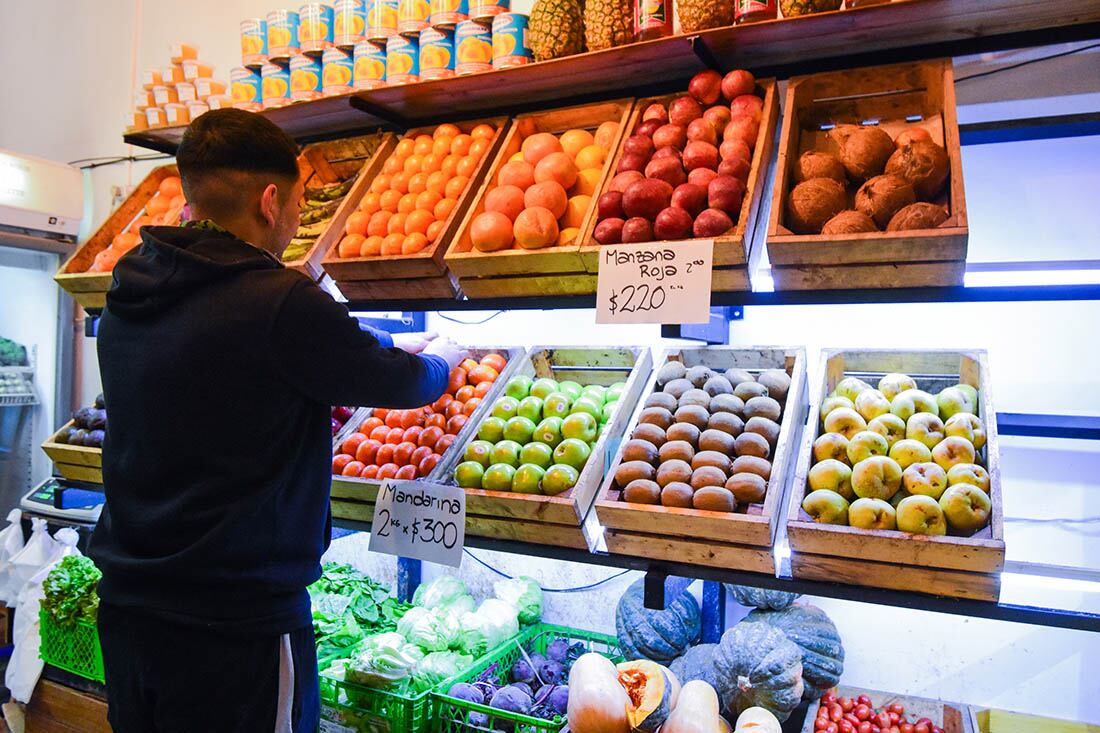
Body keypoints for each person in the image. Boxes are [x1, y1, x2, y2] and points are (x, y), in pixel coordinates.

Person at [88, 109, 467, 733]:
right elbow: (400, 381)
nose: (296, 217)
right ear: (270, 200)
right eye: (298, 201)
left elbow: (241, 362)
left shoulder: (131, 291)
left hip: (132, 607)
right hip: (235, 625)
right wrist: (447, 359)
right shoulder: (276, 298)